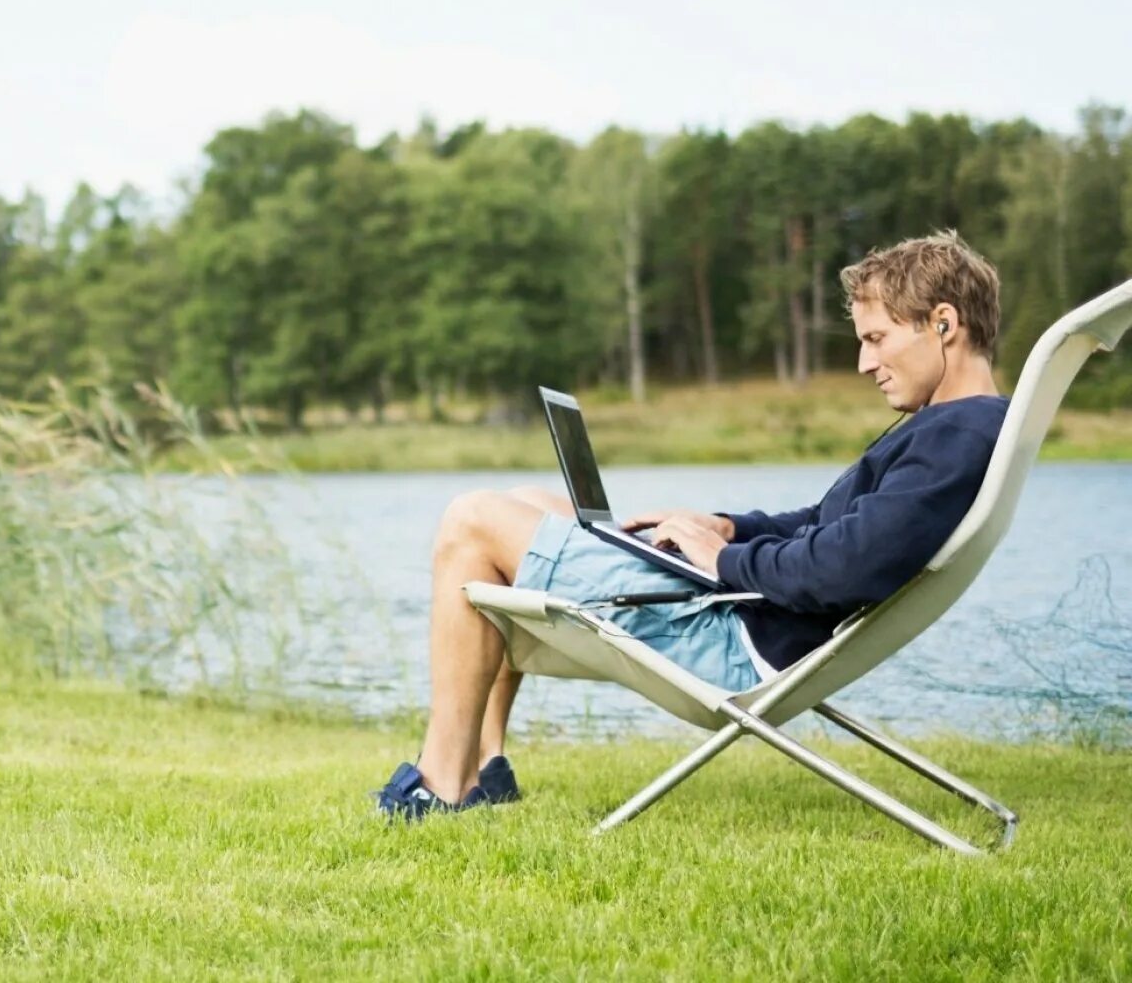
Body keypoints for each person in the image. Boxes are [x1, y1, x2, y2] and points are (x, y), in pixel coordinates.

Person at [375, 230, 1009, 818]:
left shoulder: (955, 435)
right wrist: (726, 528)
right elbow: (825, 525)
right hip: (746, 615)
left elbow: (845, 565)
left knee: (472, 522)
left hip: (737, 647)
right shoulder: (957, 429)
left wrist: (720, 563)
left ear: (943, 324)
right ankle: (488, 765)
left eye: (877, 339)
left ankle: (440, 787)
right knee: (533, 501)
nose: (865, 364)